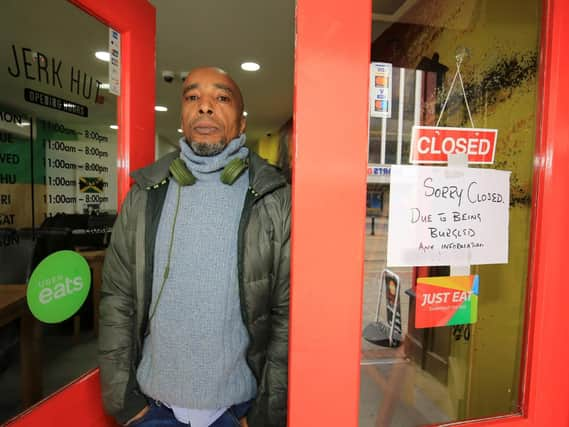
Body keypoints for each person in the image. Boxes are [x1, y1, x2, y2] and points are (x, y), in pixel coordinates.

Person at [98, 67, 290, 427]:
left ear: (242, 122)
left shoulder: (273, 198)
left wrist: (264, 414)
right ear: (182, 117)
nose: (205, 107)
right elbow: (117, 298)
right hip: (153, 408)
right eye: (192, 97)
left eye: (221, 97)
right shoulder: (145, 194)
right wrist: (124, 401)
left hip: (238, 411)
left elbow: (286, 313)